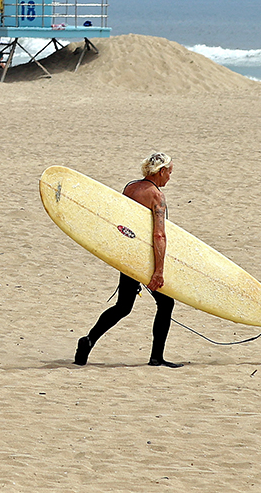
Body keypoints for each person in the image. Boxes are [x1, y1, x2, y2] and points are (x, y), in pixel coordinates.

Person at [74, 153, 182, 368]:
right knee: (166, 302)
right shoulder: (156, 197)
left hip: (127, 255)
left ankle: (88, 340)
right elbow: (159, 235)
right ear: (161, 171)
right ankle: (156, 357)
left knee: (123, 306)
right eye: (169, 172)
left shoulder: (130, 188)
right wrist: (158, 271)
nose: (170, 177)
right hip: (144, 258)